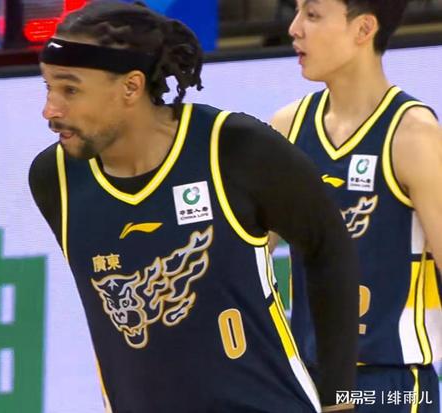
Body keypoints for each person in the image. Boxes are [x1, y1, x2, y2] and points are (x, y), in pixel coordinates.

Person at [29, 1, 360, 411]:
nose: (50, 110)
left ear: (131, 87)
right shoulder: (55, 179)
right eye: (47, 87)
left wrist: (339, 399)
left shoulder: (234, 148)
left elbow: (329, 247)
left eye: (70, 90)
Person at [271, 1, 442, 411]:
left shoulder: (413, 134)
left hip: (389, 384)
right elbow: (246, 258)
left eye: (312, 15)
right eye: (296, 11)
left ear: (364, 29)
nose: (294, 28)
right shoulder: (287, 127)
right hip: (307, 380)